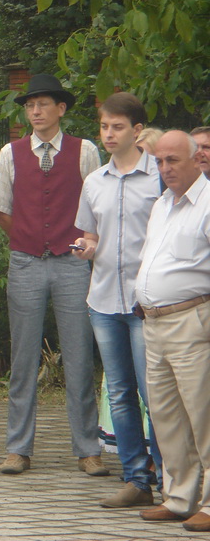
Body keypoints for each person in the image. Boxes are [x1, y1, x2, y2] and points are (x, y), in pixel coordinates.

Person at [0, 74, 107, 476]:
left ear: (61, 109)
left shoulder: (84, 150)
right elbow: (2, 210)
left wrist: (73, 242)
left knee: (79, 355)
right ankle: (18, 448)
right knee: (22, 358)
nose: (35, 111)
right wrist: (29, 237)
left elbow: (96, 207)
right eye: (29, 105)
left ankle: (88, 449)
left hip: (72, 262)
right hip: (26, 261)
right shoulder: (10, 153)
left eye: (42, 104)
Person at [72, 92, 161, 507]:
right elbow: (90, 235)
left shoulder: (158, 177)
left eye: (118, 127)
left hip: (147, 303)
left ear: (137, 130)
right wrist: (86, 248)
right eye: (104, 126)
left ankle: (170, 476)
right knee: (120, 394)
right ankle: (136, 480)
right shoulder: (94, 181)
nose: (108, 134)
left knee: (154, 392)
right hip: (104, 299)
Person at [136, 130, 210, 533]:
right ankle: (180, 497)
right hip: (154, 324)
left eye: (173, 161)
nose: (165, 169)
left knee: (204, 415)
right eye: (159, 161)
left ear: (196, 159)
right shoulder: (161, 204)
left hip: (192, 321)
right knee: (166, 416)